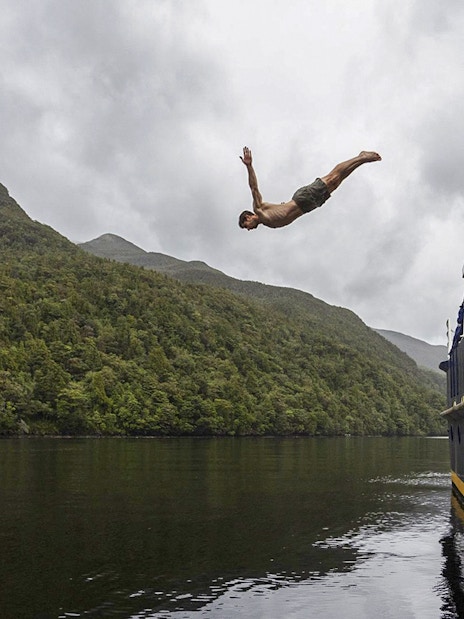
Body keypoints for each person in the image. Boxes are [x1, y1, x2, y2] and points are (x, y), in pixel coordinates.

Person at [238, 146, 381, 230]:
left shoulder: (259, 209)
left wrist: (249, 166)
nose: (249, 229)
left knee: (332, 178)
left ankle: (361, 157)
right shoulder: (268, 223)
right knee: (336, 182)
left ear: (248, 216)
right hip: (309, 206)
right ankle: (361, 160)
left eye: (246, 225)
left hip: (302, 198)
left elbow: (254, 188)